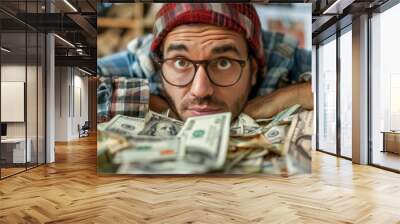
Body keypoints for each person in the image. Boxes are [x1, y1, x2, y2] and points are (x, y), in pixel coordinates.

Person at [97, 3, 313, 122]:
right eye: (180, 62)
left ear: (254, 70)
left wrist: (290, 95)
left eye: (223, 63)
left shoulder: (283, 58)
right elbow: (72, 82)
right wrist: (148, 102)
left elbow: (343, 85)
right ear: (159, 66)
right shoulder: (143, 62)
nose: (200, 91)